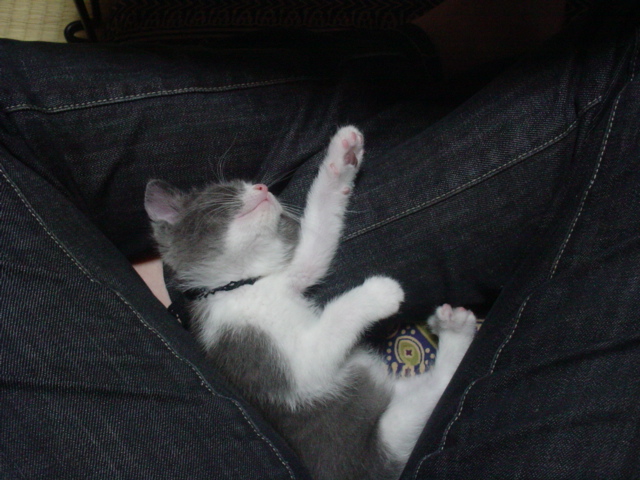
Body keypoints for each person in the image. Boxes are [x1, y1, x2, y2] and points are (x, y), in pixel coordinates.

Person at [2, 0, 638, 478]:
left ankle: (414, 61)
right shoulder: (230, 332)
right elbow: (305, 375)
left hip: (242, 316)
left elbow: (310, 254)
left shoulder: (243, 286)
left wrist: (336, 180)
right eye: (237, 198)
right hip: (362, 444)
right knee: (618, 81)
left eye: (248, 188)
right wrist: (355, 305)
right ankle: (411, 61)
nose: (259, 190)